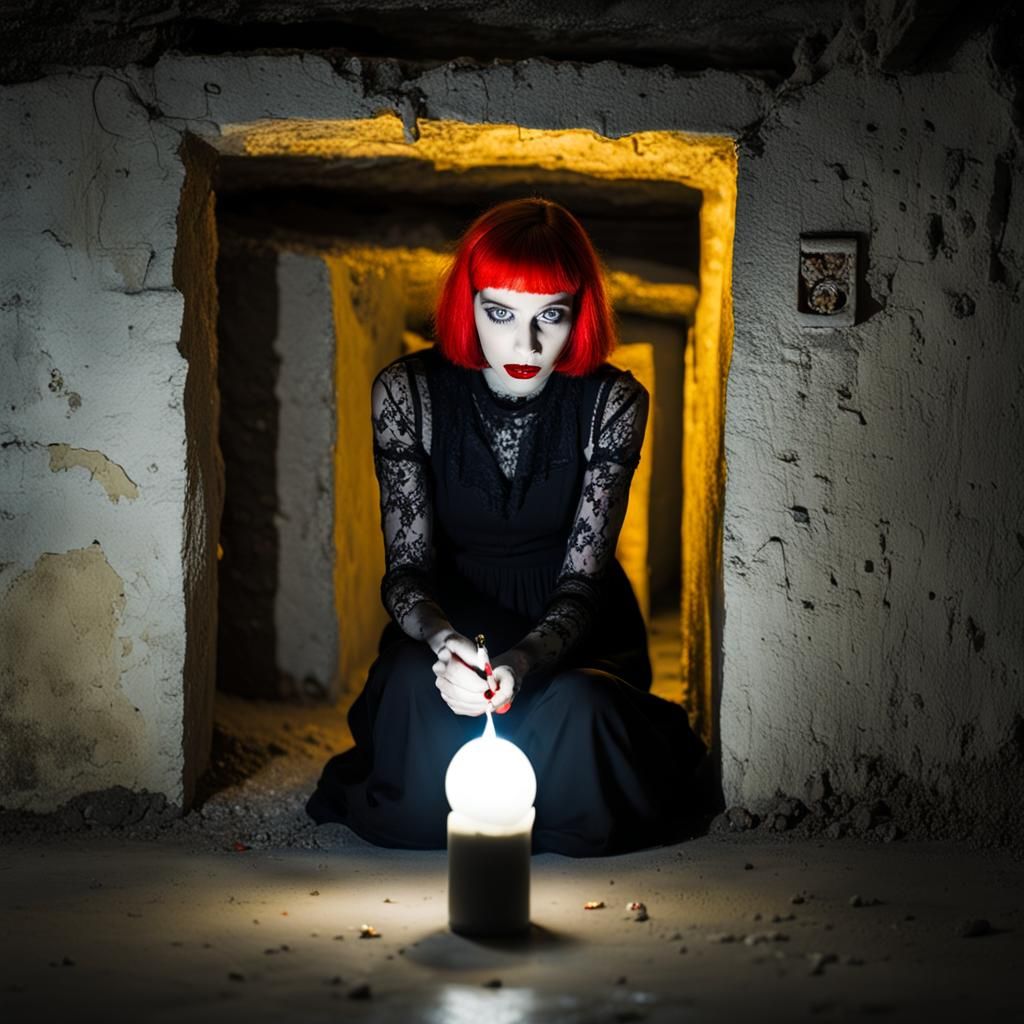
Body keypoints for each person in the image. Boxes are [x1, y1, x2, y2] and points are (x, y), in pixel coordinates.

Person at [306, 197, 706, 856]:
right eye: (501, 313)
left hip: (575, 631)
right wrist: (441, 643)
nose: (525, 344)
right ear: (469, 305)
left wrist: (522, 664)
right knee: (412, 704)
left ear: (579, 313)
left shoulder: (614, 401)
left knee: (583, 711)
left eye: (550, 315)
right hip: (448, 619)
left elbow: (583, 584)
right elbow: (405, 573)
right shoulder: (406, 393)